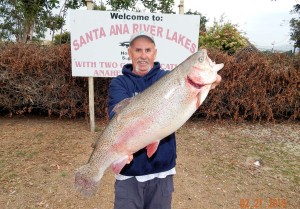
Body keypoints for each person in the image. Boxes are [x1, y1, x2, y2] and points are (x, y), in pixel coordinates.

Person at [108, 31, 176, 209]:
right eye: (138, 50)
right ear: (130, 53)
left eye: (148, 50)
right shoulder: (119, 83)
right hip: (129, 173)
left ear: (155, 52)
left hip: (162, 169)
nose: (143, 56)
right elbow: (116, 117)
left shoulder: (167, 79)